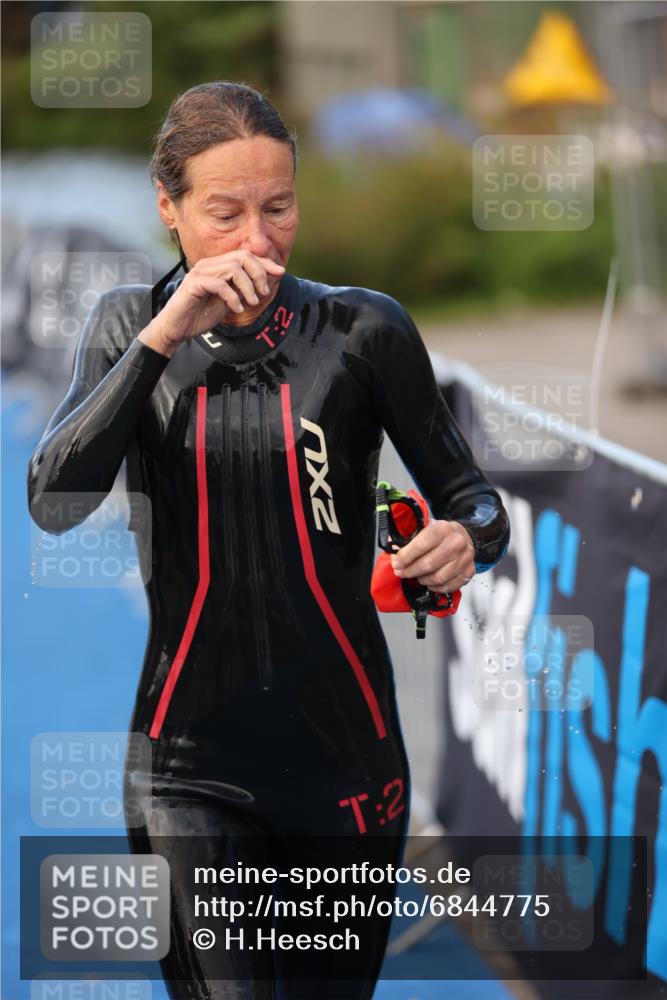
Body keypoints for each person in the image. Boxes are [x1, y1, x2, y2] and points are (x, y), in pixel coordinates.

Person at [27, 81, 510, 1000]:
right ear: (166, 209)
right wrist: (167, 336)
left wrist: (463, 540)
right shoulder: (128, 327)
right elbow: (53, 501)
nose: (256, 239)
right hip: (185, 768)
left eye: (278, 207)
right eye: (224, 212)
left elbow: (476, 502)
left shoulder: (363, 331)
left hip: (348, 768)